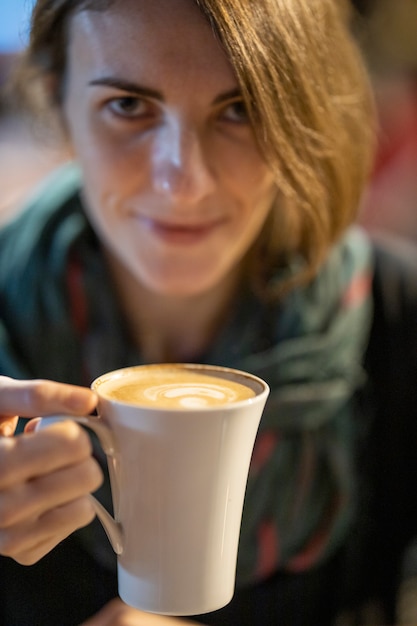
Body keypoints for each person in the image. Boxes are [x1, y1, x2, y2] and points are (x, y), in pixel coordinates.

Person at [1, 0, 417, 625]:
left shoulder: (398, 319)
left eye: (241, 109)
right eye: (128, 106)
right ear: (60, 106)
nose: (183, 181)